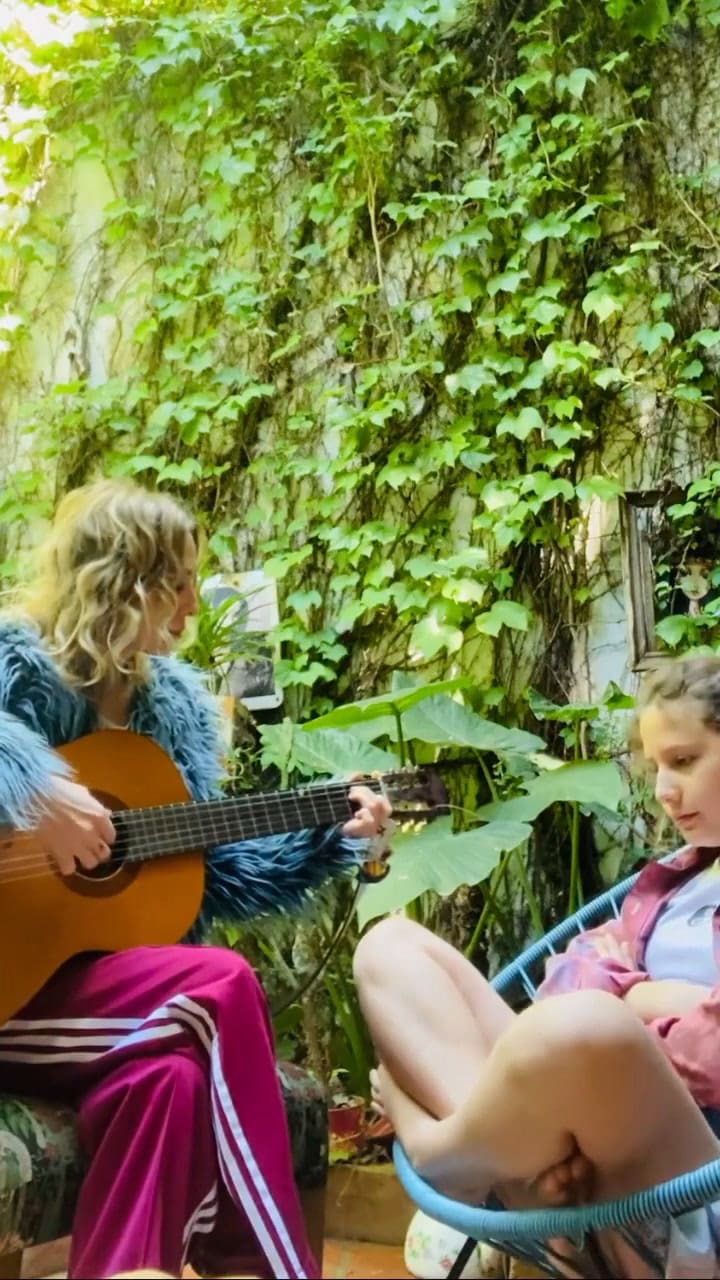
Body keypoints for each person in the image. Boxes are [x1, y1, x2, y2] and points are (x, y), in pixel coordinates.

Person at [0, 477, 391, 1280]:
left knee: (168, 1082)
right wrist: (32, 788)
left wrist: (329, 837)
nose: (191, 600)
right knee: (219, 983)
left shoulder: (169, 706)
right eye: (176, 578)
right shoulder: (17, 668)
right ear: (121, 578)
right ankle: (269, 1266)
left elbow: (203, 877)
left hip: (112, 1003)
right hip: (14, 998)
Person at [353, 656, 720, 1278]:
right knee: (390, 949)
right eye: (655, 766)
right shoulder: (676, 883)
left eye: (683, 761)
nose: (662, 789)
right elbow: (572, 971)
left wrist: (626, 1019)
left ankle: (439, 1147)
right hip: (584, 1126)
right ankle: (526, 1173)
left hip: (693, 1180)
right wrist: (651, 1001)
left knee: (584, 1031)